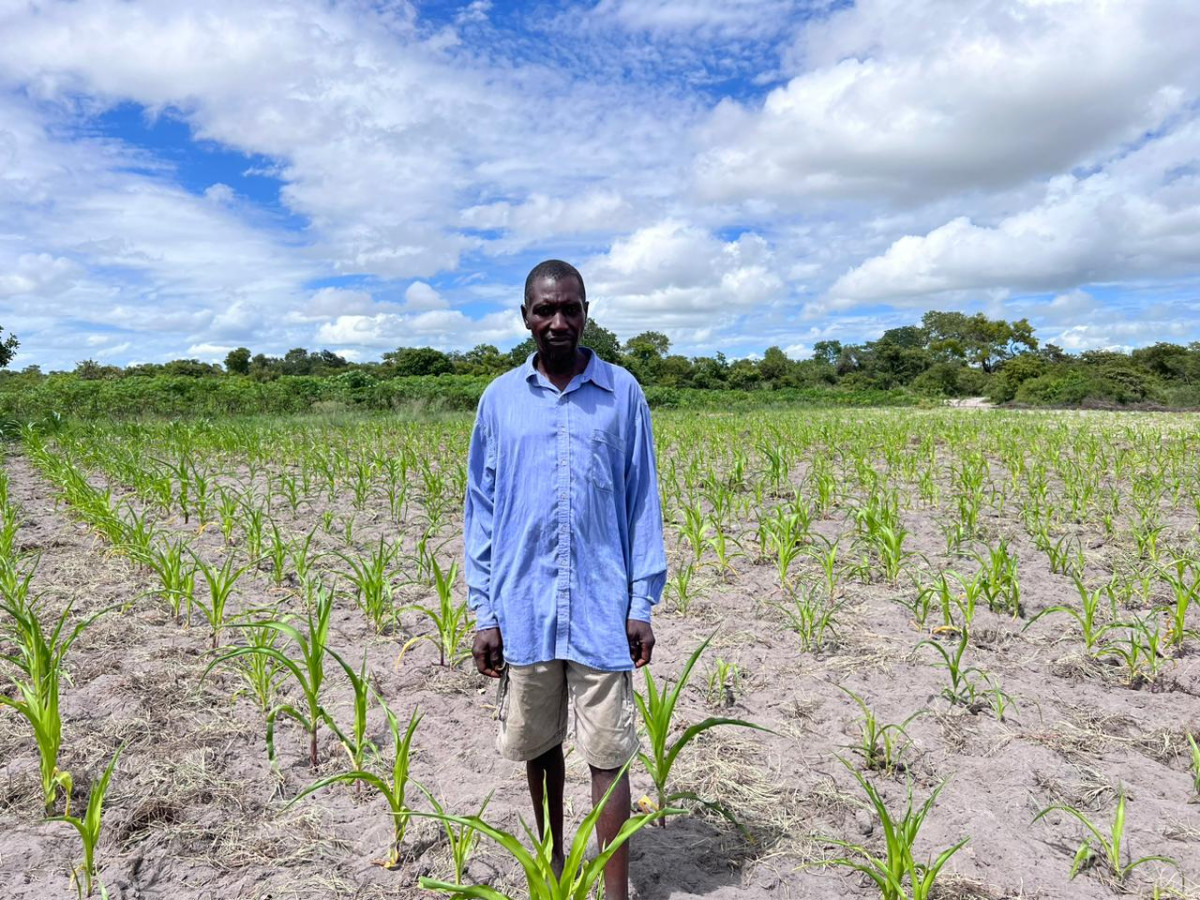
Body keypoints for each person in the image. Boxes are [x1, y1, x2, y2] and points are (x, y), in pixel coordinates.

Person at [463, 259, 667, 900]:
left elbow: (642, 501)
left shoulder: (621, 392)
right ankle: (554, 873)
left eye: (570, 308)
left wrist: (641, 601)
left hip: (604, 605)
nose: (558, 321)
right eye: (544, 309)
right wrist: (485, 612)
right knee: (540, 744)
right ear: (525, 315)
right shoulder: (499, 400)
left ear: (587, 311)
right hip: (523, 604)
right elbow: (482, 510)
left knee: (607, 754)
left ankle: (613, 893)